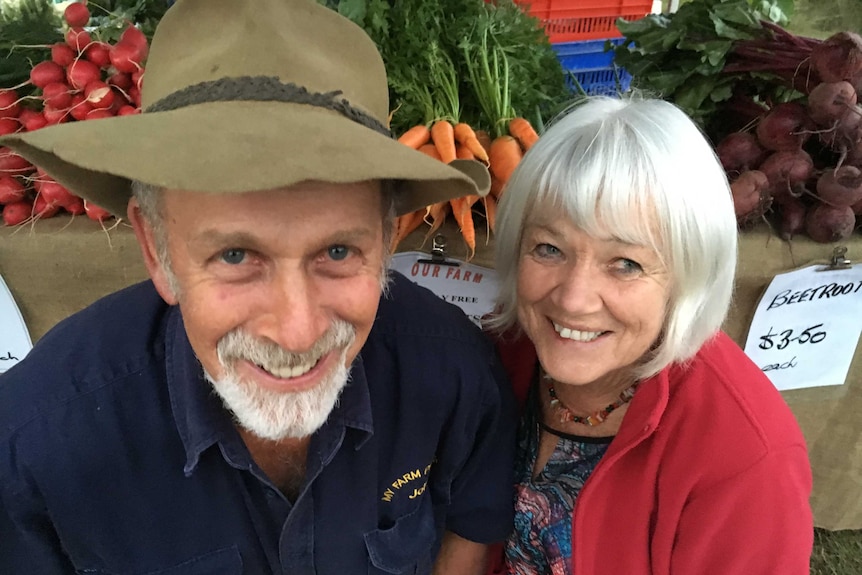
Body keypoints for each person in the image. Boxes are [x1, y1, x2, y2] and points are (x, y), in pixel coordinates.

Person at [0, 0, 517, 573]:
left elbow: (467, 540)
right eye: (236, 255)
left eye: (338, 252)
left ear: (387, 239)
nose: (296, 333)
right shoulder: (35, 448)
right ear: (156, 250)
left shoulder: (456, 379)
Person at [484, 96, 814, 574]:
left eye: (626, 264)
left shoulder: (746, 458)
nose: (574, 299)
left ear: (689, 277)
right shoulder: (504, 353)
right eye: (549, 248)